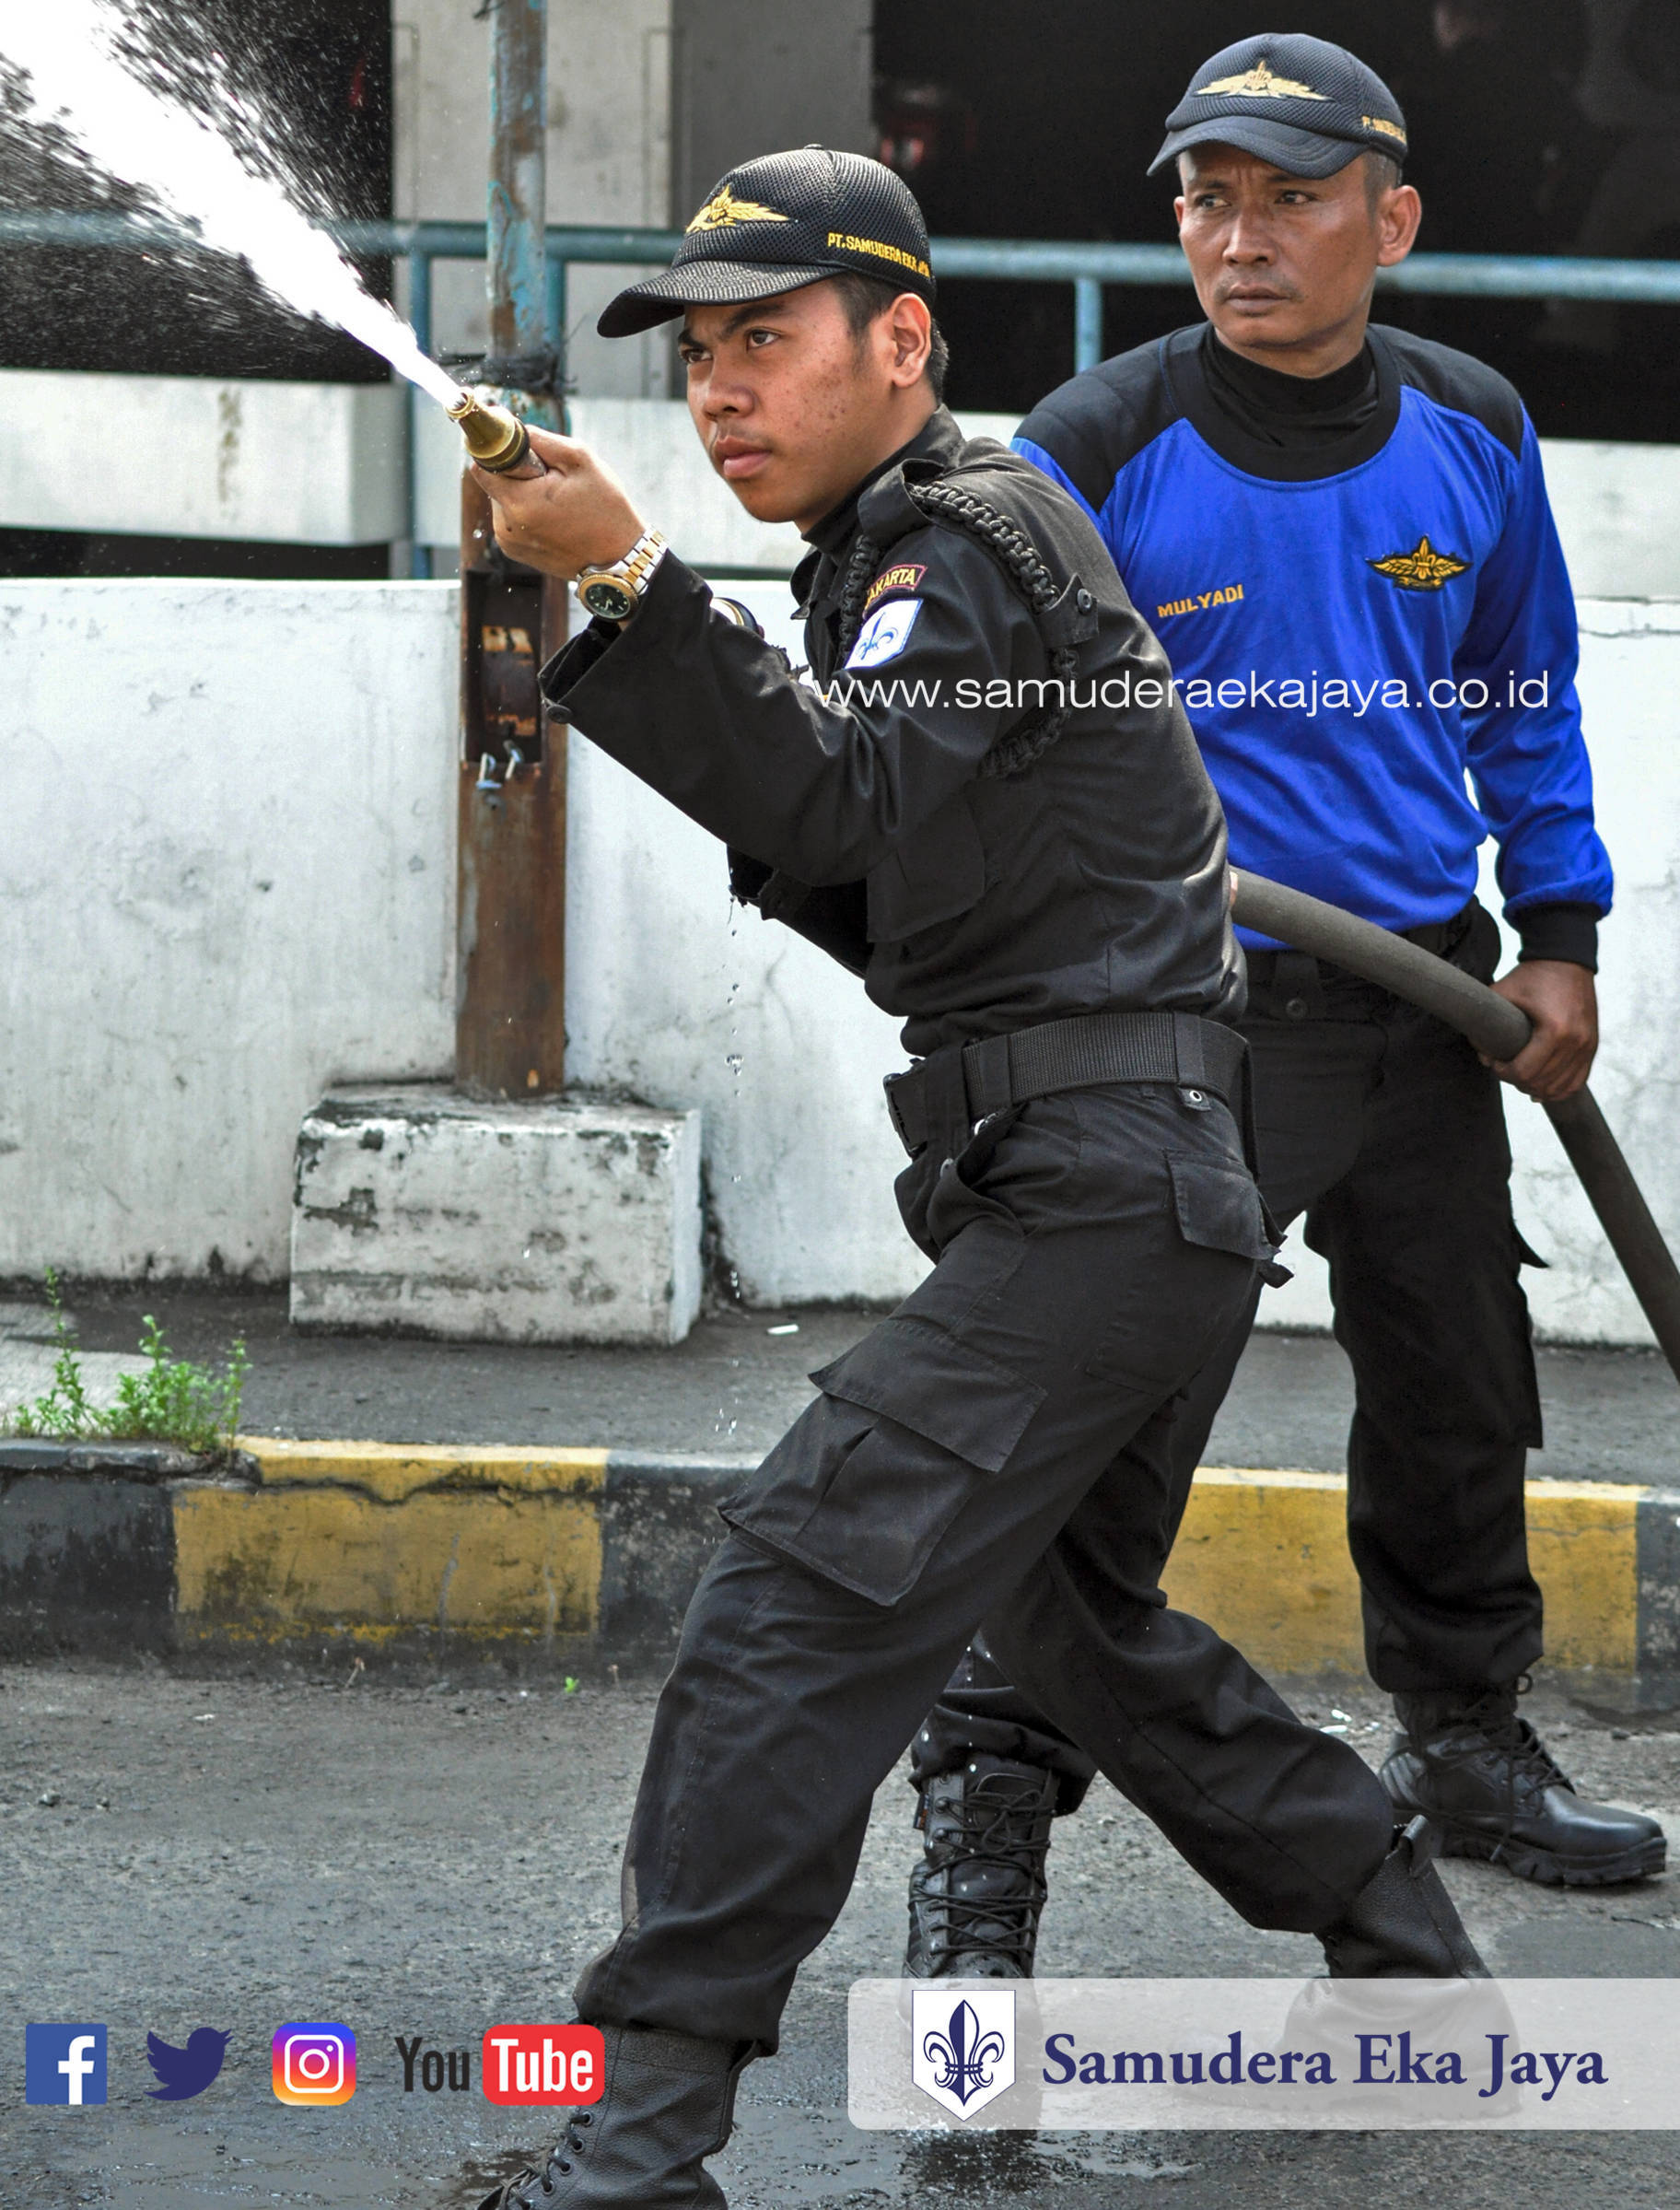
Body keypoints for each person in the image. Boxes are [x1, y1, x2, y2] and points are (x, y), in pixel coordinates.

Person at [462, 146, 1485, 2210]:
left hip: (1108, 1194)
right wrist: (661, 615)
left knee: (799, 1585)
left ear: (902, 340)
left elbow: (840, 791)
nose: (723, 392)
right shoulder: (896, 559)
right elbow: (877, 863)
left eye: (769, 341)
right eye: (701, 355)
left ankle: (641, 2136)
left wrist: (641, 586)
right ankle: (1405, 1951)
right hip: (1113, 1187)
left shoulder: (978, 536)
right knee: (1080, 1632)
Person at [905, 31, 1664, 1989]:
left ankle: (1469, 1743)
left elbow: (1525, 698)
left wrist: (1556, 933)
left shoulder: (1474, 428)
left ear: (1389, 221)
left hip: (1425, 1009)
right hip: (1183, 1025)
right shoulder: (1094, 440)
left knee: (1459, 1391)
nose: (1239, 238)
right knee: (1104, 1435)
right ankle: (988, 1819)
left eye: (1289, 196)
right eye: (1205, 197)